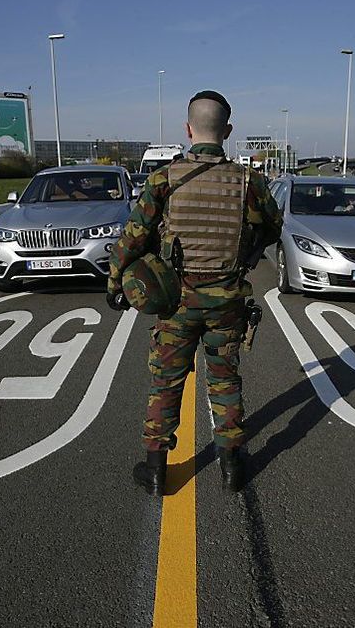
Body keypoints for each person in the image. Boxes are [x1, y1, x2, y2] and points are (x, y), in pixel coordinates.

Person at [106, 90, 282, 495]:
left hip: (176, 302)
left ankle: (155, 470)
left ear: (188, 129)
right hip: (227, 302)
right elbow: (273, 226)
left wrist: (116, 282)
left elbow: (133, 238)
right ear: (229, 131)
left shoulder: (163, 179)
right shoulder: (247, 181)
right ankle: (232, 466)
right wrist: (247, 255)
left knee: (166, 382)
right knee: (224, 381)